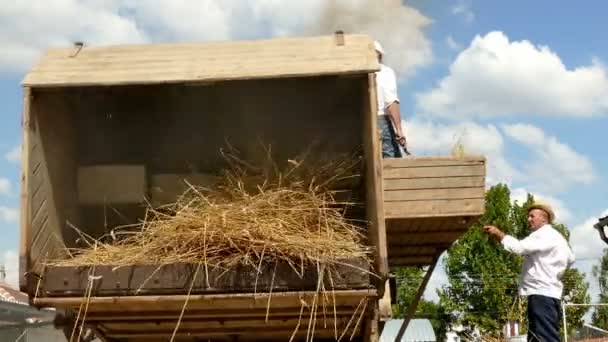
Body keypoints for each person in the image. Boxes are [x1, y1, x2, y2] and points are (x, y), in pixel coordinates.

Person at [484, 202, 575, 342]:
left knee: (544, 337)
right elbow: (571, 258)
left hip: (541, 293)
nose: (529, 219)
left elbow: (518, 248)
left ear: (544, 219)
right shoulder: (558, 238)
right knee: (536, 337)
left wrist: (498, 234)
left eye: (532, 216)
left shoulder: (543, 235)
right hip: (549, 293)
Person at [374, 41, 407, 158]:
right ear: (380, 55)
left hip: (357, 123)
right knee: (391, 160)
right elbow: (391, 101)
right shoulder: (384, 71)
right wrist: (399, 130)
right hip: (380, 120)